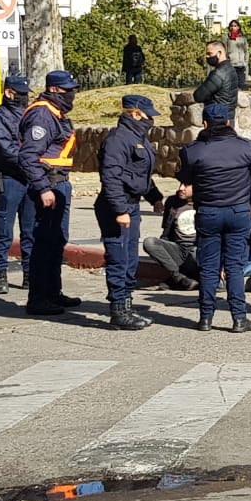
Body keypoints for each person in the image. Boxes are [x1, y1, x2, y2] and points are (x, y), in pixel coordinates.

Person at [176, 103, 251, 333]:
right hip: (238, 211)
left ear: (204, 124)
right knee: (235, 266)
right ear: (228, 123)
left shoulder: (193, 150)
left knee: (208, 267)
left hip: (208, 211)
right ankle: (239, 318)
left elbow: (185, 177)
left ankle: (205, 317)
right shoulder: (245, 147)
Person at [95, 95, 165, 330]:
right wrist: (119, 210)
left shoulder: (138, 138)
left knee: (130, 260)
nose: (150, 121)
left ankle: (126, 305)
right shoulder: (118, 140)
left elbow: (139, 175)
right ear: (135, 114)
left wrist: (154, 197)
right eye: (147, 116)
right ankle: (117, 310)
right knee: (118, 258)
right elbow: (111, 177)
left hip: (131, 204)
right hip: (117, 206)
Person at [18, 70, 81, 317]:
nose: (72, 95)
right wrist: (43, 187)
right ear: (54, 90)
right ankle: (38, 298)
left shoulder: (56, 114)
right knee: (43, 243)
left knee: (57, 240)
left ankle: (53, 292)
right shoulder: (42, 115)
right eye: (68, 91)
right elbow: (28, 157)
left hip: (59, 182)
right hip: (48, 185)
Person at [0, 75, 35, 295]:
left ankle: (29, 275)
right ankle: (1, 274)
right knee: (4, 229)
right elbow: (5, 150)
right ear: (8, 93)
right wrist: (30, 161)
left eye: (26, 94)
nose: (25, 98)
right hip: (9, 178)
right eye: (20, 94)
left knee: (30, 230)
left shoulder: (30, 115)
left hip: (31, 179)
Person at [143, 184, 199, 291]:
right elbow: (167, 231)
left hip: (198, 252)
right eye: (180, 184)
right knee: (149, 242)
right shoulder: (173, 201)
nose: (181, 188)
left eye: (186, 185)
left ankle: (197, 279)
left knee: (196, 252)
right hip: (178, 249)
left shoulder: (207, 203)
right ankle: (178, 277)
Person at [193, 41, 238, 116]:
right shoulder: (231, 69)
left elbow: (199, 96)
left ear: (219, 53)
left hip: (217, 117)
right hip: (229, 115)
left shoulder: (218, 74)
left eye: (209, 54)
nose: (207, 57)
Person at [225, 19, 249, 89]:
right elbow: (225, 51)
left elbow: (246, 51)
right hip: (231, 64)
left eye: (235, 26)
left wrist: (246, 62)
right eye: (231, 26)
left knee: (242, 83)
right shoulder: (227, 38)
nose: (233, 27)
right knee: (232, 84)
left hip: (241, 64)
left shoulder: (243, 38)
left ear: (238, 27)